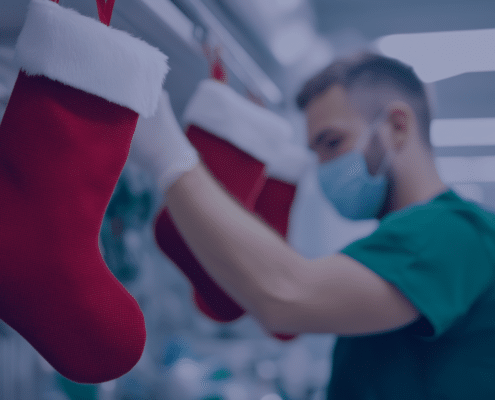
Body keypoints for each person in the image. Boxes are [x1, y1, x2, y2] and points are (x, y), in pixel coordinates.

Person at [131, 52, 495, 399]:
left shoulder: (451, 231)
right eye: (316, 153)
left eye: (333, 143)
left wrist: (170, 156)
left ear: (398, 126)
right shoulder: (410, 238)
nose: (323, 170)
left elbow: (287, 295)